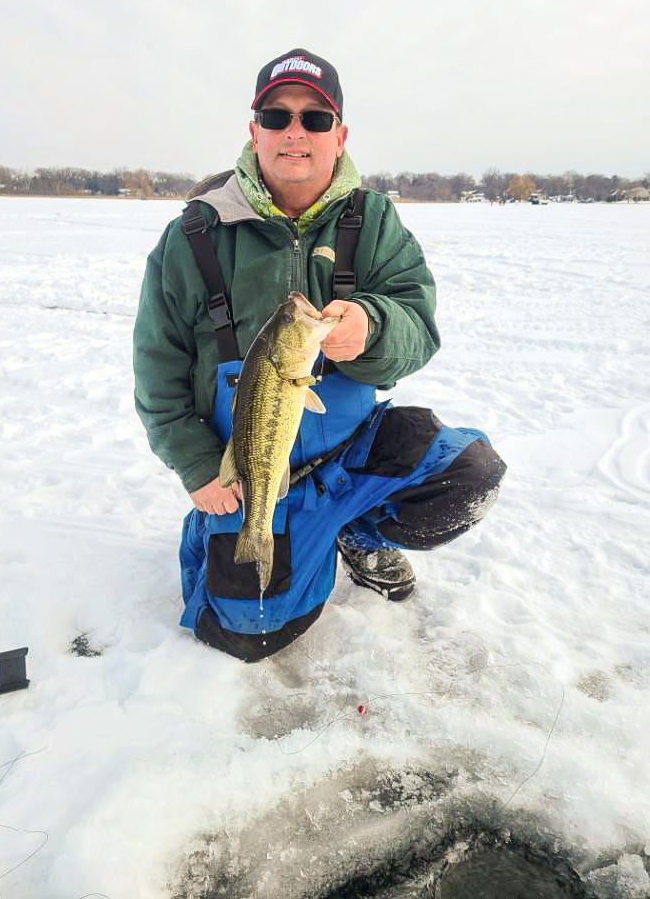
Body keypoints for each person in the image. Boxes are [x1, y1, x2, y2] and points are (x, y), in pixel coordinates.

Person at [133, 48, 506, 662]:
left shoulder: (374, 220)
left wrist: (374, 328)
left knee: (469, 473)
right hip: (253, 473)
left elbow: (418, 322)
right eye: (276, 116)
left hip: (350, 454)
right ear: (254, 131)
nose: (295, 133)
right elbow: (157, 368)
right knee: (246, 636)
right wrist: (199, 468)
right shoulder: (193, 235)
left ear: (340, 135)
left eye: (315, 118)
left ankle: (354, 532)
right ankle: (226, 526)